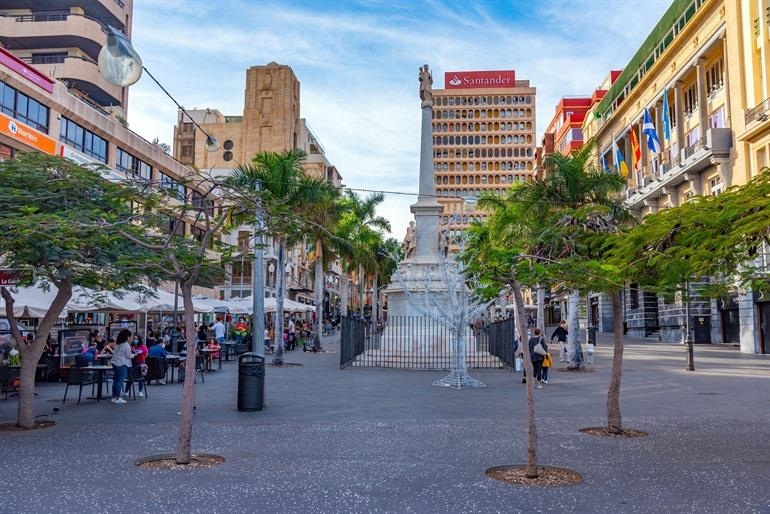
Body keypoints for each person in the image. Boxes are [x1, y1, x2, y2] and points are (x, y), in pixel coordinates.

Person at [110, 329, 133, 404]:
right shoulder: (126, 345)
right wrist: (135, 354)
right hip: (122, 363)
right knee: (119, 381)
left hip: (114, 362)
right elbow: (128, 355)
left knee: (115, 380)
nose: (131, 338)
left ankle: (114, 397)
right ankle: (117, 398)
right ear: (127, 337)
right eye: (130, 336)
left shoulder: (117, 343)